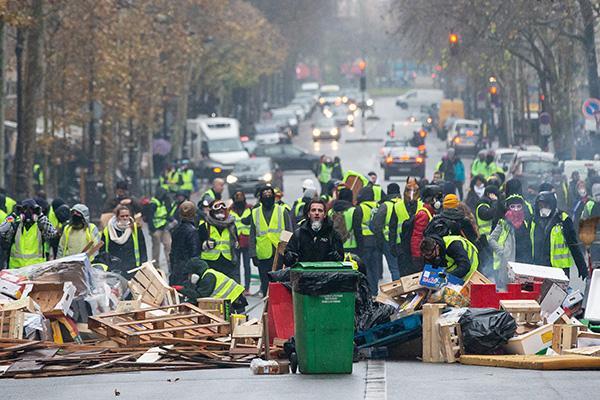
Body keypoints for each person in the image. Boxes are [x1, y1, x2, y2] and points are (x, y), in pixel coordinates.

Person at [530, 191, 587, 280]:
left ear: (552, 205)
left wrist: (582, 267)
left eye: (546, 206)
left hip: (559, 270)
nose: (543, 209)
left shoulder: (563, 220)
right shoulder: (534, 220)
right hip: (539, 268)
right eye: (541, 206)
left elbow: (574, 245)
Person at [248, 186, 292, 296]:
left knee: (280, 283)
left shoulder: (282, 211)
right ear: (260, 198)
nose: (268, 196)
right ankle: (268, 308)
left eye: (270, 194)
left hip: (279, 254)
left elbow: (288, 231)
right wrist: (253, 254)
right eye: (265, 195)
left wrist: (288, 251)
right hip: (263, 255)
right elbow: (252, 235)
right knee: (265, 284)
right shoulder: (255, 212)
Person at [489, 195, 532, 288]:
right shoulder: (503, 223)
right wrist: (501, 251)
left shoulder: (527, 222)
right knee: (509, 289)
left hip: (524, 261)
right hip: (509, 262)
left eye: (518, 206)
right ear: (508, 207)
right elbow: (491, 239)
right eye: (513, 206)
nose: (516, 209)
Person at [0, 199, 58, 268]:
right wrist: (14, 215)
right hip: (16, 269)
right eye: (24, 209)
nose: (28, 213)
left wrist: (41, 215)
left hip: (36, 269)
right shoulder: (16, 225)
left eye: (31, 210)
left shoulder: (40, 226)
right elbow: (2, 230)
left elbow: (53, 233)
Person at [284, 199, 344, 265]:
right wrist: (289, 257)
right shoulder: (299, 234)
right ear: (309, 214)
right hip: (304, 274)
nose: (317, 213)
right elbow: (287, 260)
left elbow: (341, 259)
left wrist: (336, 257)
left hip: (325, 274)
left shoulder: (333, 235)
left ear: (324, 215)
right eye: (313, 210)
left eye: (320, 210)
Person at [180, 258, 248, 313]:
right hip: (233, 299)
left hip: (232, 301)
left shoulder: (208, 277)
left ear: (196, 274)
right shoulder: (207, 275)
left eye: (190, 275)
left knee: (229, 323)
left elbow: (199, 297)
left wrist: (182, 290)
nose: (189, 278)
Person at [99, 205, 147, 278]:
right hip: (114, 267)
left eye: (127, 216)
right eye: (122, 216)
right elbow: (102, 249)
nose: (125, 218)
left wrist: (144, 262)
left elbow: (142, 247)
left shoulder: (135, 228)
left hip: (132, 266)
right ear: (117, 217)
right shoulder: (108, 230)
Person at [199, 200, 239, 281]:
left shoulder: (231, 226)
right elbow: (196, 245)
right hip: (210, 262)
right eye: (217, 209)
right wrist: (204, 245)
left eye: (223, 209)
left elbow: (236, 241)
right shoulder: (205, 226)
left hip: (228, 262)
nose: (221, 211)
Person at [372, 183, 403, 281]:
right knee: (402, 267)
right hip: (403, 240)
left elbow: (377, 224)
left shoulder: (385, 205)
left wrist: (379, 241)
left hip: (389, 240)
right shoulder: (403, 204)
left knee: (394, 268)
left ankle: (398, 291)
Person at [352, 187, 380, 294]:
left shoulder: (360, 209)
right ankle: (375, 291)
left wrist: (359, 246)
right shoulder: (378, 207)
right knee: (375, 268)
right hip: (376, 242)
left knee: (366, 268)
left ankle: (368, 290)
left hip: (365, 242)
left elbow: (357, 228)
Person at [410, 185, 443, 268]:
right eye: (437, 198)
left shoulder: (431, 212)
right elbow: (417, 236)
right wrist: (418, 256)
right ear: (432, 199)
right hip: (423, 255)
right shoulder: (424, 214)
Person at [169, 201, 201, 286]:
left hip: (176, 269)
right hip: (187, 272)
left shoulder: (176, 230)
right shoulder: (192, 231)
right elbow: (195, 254)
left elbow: (172, 253)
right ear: (194, 214)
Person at [145, 187, 174, 272]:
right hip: (156, 229)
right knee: (156, 249)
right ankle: (156, 267)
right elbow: (150, 218)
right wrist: (153, 230)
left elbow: (165, 214)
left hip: (164, 228)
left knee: (168, 245)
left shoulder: (163, 202)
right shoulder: (153, 204)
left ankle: (170, 265)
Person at [229, 191, 253, 294]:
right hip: (236, 241)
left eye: (241, 197)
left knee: (247, 266)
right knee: (236, 266)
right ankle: (238, 288)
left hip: (247, 241)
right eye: (237, 197)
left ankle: (247, 288)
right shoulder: (230, 210)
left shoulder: (250, 208)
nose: (239, 199)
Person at [329, 187, 357, 253]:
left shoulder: (331, 212)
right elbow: (357, 229)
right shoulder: (353, 211)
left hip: (336, 245)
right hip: (352, 245)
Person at [580, 183, 600, 268]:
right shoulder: (589, 205)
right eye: (597, 194)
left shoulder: (589, 204)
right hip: (594, 242)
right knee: (595, 266)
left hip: (594, 241)